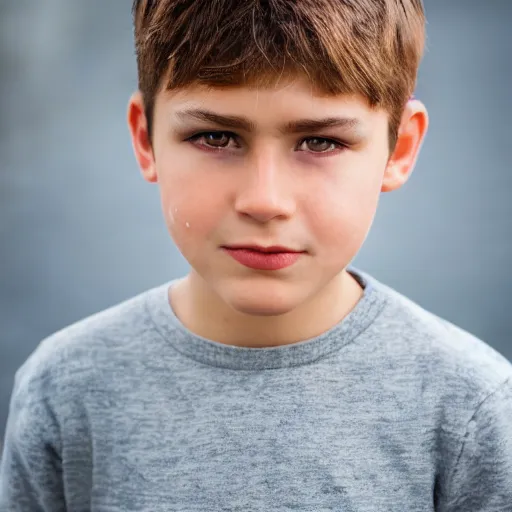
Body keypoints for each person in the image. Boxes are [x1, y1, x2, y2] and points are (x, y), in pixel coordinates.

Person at [1, 0, 511, 510]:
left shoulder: (472, 405)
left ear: (398, 150)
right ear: (145, 138)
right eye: (215, 136)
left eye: (320, 141)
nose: (265, 201)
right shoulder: (66, 388)